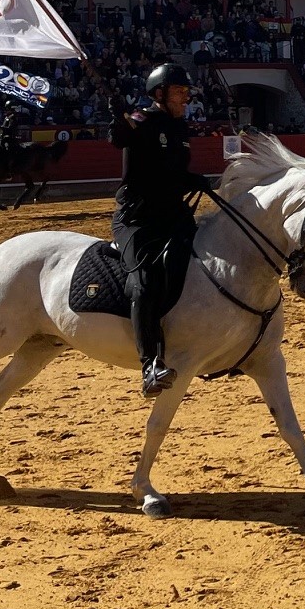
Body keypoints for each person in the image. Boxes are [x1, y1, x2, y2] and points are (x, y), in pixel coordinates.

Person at [108, 63, 213, 396]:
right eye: (179, 92)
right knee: (145, 281)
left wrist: (195, 181)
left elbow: (173, 173)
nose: (185, 98)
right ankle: (150, 363)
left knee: (210, 260)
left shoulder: (179, 128)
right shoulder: (141, 121)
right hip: (137, 219)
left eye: (186, 93)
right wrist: (116, 116)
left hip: (171, 214)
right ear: (159, 94)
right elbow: (120, 137)